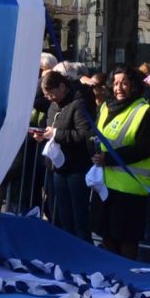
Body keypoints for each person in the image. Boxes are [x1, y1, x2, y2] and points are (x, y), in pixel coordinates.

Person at [92, 67, 150, 260]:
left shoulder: (144, 111)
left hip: (129, 188)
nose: (119, 88)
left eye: (124, 83)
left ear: (134, 86)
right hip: (104, 185)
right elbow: (95, 136)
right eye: (115, 83)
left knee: (126, 243)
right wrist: (94, 151)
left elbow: (144, 148)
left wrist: (108, 158)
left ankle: (126, 276)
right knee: (106, 237)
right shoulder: (105, 107)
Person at [35, 70, 96, 240]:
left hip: (76, 167)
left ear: (62, 86)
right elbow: (49, 127)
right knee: (63, 215)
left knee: (79, 216)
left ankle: (83, 248)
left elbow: (83, 134)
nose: (50, 98)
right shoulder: (53, 106)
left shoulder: (79, 104)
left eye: (51, 94)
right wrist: (43, 136)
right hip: (57, 167)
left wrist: (55, 134)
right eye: (47, 95)